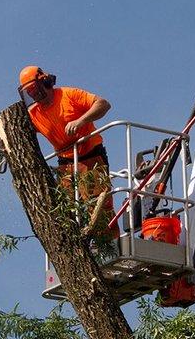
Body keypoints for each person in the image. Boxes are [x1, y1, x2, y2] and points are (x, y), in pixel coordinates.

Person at [17, 65, 119, 238]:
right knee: (68, 211)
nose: (33, 94)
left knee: (98, 206)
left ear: (45, 81)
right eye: (29, 92)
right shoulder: (34, 114)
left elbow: (103, 104)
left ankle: (110, 244)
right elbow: (17, 131)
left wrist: (81, 120)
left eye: (34, 88)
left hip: (90, 156)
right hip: (65, 164)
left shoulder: (68, 95)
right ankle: (82, 246)